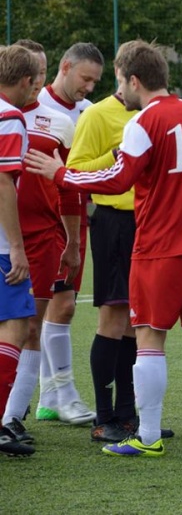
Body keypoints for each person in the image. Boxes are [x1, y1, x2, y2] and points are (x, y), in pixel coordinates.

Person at [25, 40, 182, 457]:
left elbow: (117, 179)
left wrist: (61, 175)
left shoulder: (144, 122)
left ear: (135, 79)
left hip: (159, 247)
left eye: (120, 82)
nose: (117, 91)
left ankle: (148, 436)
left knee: (148, 338)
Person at [63, 41, 146, 443]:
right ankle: (104, 417)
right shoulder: (97, 115)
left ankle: (129, 416)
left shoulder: (153, 114)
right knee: (113, 320)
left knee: (136, 322)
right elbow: (73, 169)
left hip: (148, 224)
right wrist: (115, 155)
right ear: (124, 75)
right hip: (113, 223)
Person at [2, 40, 79, 446]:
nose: (39, 81)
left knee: (31, 325)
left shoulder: (60, 123)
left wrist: (72, 240)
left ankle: (13, 417)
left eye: (44, 71)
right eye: (34, 73)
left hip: (43, 240)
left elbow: (69, 191)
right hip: (9, 238)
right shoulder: (7, 117)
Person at [33, 42, 104, 424]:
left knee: (60, 304)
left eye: (95, 81)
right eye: (85, 78)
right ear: (65, 67)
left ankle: (51, 393)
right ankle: (65, 394)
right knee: (49, 307)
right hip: (37, 222)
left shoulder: (90, 113)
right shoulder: (33, 106)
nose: (90, 87)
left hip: (74, 218)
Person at [0, 44, 40, 457]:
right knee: (16, 325)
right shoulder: (8, 116)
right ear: (27, 81)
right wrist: (16, 247)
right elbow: (3, 184)